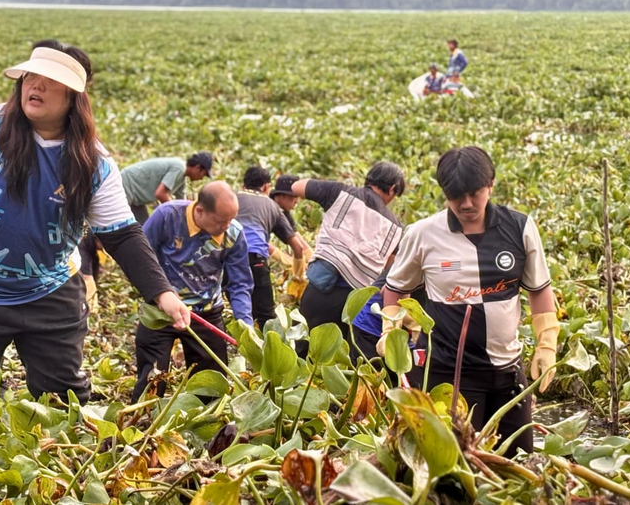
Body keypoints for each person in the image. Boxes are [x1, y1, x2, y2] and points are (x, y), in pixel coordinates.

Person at [0, 40, 190, 465]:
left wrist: (163, 293)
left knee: (63, 389)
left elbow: (122, 235)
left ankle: (64, 468)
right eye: (31, 77)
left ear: (73, 98)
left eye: (50, 82)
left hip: (51, 289)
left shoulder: (93, 162)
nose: (36, 86)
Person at [378, 146, 559, 454]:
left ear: (490, 185)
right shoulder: (423, 234)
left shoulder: (520, 228)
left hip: (508, 371)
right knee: (458, 465)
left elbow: (539, 289)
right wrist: (390, 327)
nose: (466, 204)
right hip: (450, 375)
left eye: (474, 194)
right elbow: (395, 287)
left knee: (518, 461)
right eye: (455, 196)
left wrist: (547, 343)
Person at [133, 181, 253, 402]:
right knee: (151, 380)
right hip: (161, 310)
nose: (227, 226)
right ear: (199, 210)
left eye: (231, 220)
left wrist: (245, 324)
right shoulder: (167, 216)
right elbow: (140, 257)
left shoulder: (233, 233)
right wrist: (159, 293)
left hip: (205, 313)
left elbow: (239, 284)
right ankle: (142, 420)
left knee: (211, 388)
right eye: (221, 221)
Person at [290, 162, 405, 355]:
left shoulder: (340, 192)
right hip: (354, 303)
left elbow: (296, 187)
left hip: (320, 289)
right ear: (392, 188)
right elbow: (389, 266)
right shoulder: (396, 227)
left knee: (301, 348)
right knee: (337, 356)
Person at [235, 166, 306, 328]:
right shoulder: (271, 206)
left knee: (236, 302)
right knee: (265, 316)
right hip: (255, 259)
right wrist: (298, 278)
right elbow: (298, 247)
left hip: (226, 257)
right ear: (267, 186)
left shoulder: (232, 198)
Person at [120, 153, 213, 224]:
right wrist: (175, 213)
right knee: (119, 221)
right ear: (198, 168)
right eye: (203, 174)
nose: (201, 178)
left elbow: (181, 203)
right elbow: (160, 194)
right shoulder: (179, 168)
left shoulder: (182, 178)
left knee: (143, 228)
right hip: (128, 183)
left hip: (137, 197)